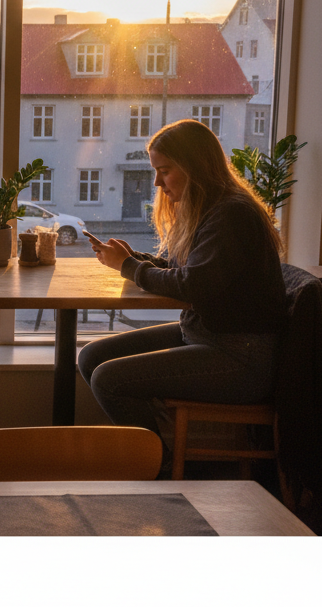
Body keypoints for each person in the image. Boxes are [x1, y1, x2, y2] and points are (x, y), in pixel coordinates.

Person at [77, 118, 286, 469]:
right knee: (91, 356)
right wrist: (132, 259)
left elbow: (191, 286)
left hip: (240, 357)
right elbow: (183, 268)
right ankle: (152, 454)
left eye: (165, 170)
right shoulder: (211, 209)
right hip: (208, 336)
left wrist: (129, 267)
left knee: (108, 379)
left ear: (195, 166)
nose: (157, 182)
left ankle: (154, 464)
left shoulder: (231, 214)